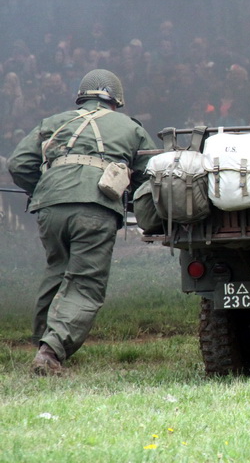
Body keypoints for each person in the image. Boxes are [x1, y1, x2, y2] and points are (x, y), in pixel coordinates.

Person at [8, 69, 156, 375]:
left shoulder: (53, 121)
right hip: (95, 206)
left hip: (50, 205)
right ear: (117, 100)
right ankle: (51, 352)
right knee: (85, 281)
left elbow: (19, 163)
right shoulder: (130, 127)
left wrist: (43, 189)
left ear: (81, 96)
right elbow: (152, 171)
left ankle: (44, 343)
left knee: (58, 271)